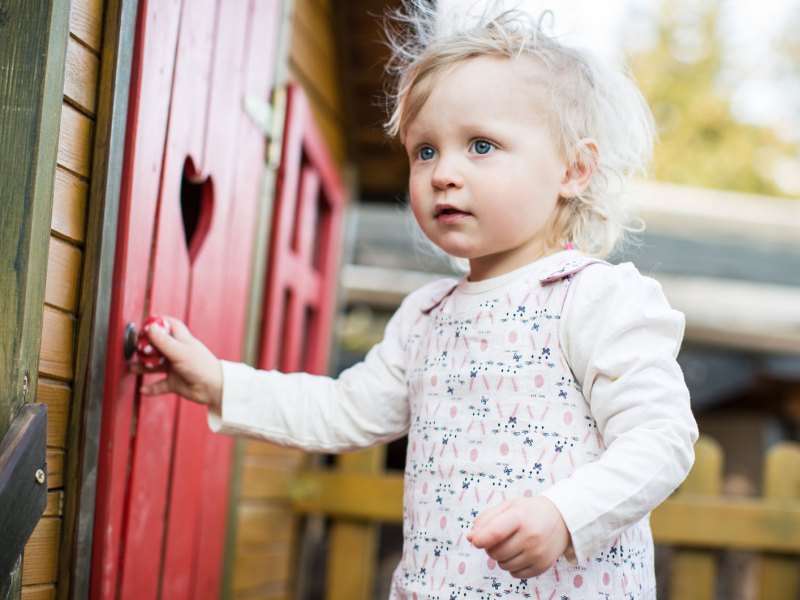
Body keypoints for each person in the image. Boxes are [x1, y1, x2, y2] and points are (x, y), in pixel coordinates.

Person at [139, 3, 698, 597]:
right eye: (425, 150)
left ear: (574, 169)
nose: (442, 173)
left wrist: (565, 515)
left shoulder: (593, 298)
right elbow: (340, 410)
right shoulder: (426, 317)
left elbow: (660, 439)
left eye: (480, 146)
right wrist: (219, 383)